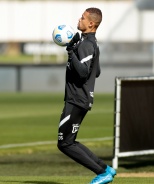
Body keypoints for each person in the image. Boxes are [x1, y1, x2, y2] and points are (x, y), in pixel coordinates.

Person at [57, 7, 116, 184]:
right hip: (79, 98)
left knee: (65, 143)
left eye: (82, 18)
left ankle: (102, 172)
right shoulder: (89, 43)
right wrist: (75, 50)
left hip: (77, 99)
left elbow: (83, 73)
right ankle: (106, 169)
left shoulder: (87, 44)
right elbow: (96, 71)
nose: (79, 19)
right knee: (69, 140)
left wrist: (71, 52)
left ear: (91, 23)